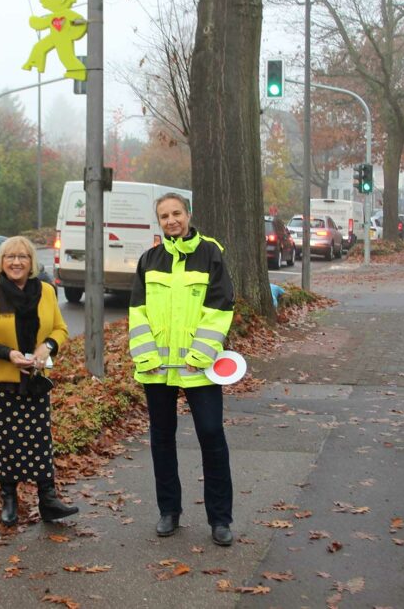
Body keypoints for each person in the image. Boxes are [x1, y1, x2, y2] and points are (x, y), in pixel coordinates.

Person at [128, 193, 235, 546]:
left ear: (188, 214)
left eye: (176, 213)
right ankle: (168, 512)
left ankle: (220, 519)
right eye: (164, 216)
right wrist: (146, 357)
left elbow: (220, 307)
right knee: (161, 438)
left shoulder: (210, 254)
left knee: (211, 436)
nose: (171, 220)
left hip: (198, 367)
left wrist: (201, 353)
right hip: (158, 369)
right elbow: (137, 313)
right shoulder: (149, 260)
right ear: (158, 222)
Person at [0, 236, 76, 527]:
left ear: (32, 262)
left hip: (36, 379)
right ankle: (9, 499)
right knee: (6, 442)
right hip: (2, 380)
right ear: (1, 263)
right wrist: (8, 354)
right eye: (10, 257)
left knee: (40, 439)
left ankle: (48, 499)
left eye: (23, 257)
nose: (16, 262)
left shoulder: (47, 292)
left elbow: (60, 328)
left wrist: (47, 346)